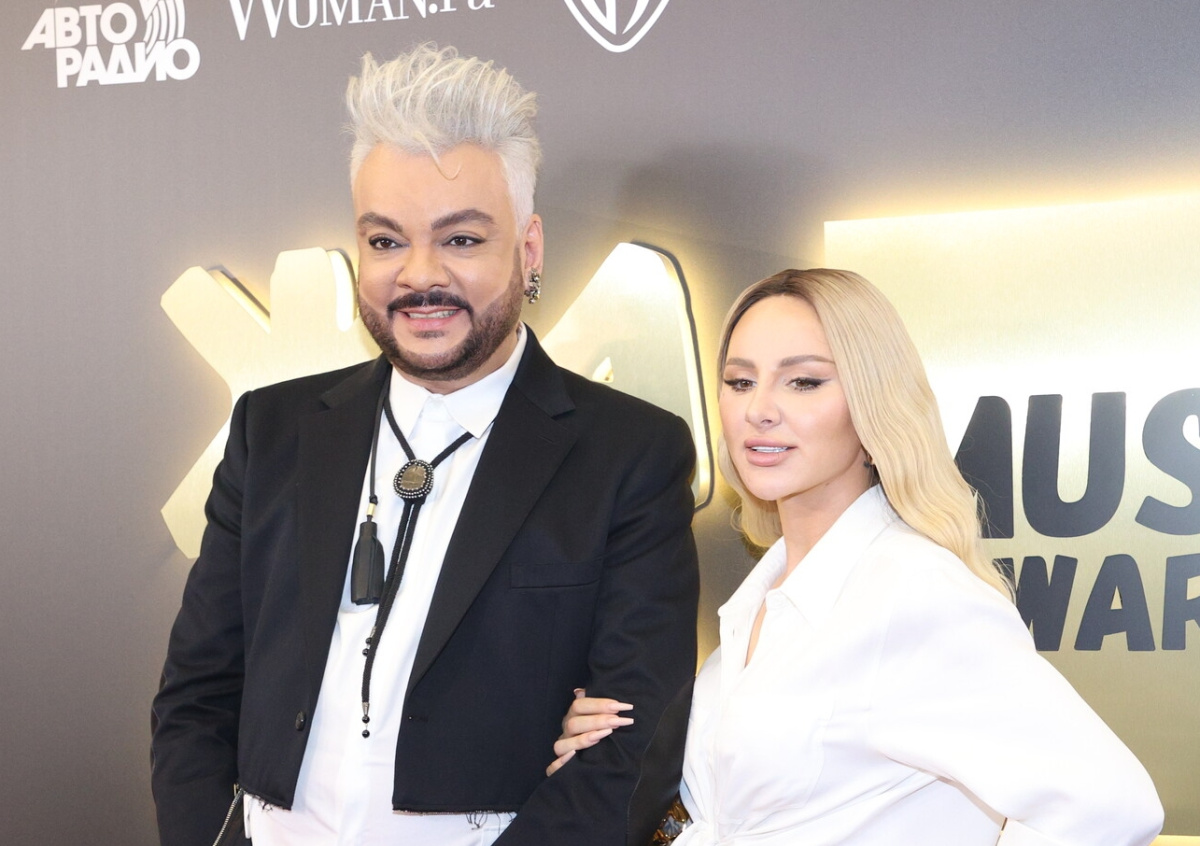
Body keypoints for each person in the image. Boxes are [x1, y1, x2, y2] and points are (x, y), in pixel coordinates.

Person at [150, 44, 699, 846]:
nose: (418, 275)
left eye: (462, 240)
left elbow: (631, 749)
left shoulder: (629, 454)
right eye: (385, 241)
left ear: (529, 250)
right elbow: (196, 695)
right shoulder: (273, 429)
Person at [552, 269, 1164, 845]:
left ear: (873, 403)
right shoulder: (766, 596)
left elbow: (1112, 807)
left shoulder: (912, 592)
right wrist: (620, 752)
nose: (759, 408)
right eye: (740, 381)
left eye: (804, 381)